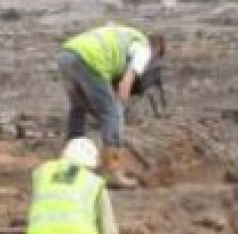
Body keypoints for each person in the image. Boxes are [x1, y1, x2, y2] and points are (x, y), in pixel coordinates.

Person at [58, 23, 166, 188]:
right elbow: (126, 83)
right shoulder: (144, 48)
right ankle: (112, 170)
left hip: (66, 55)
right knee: (112, 111)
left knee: (78, 107)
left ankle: (69, 163)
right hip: (90, 60)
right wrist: (117, 112)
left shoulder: (125, 34)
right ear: (156, 50)